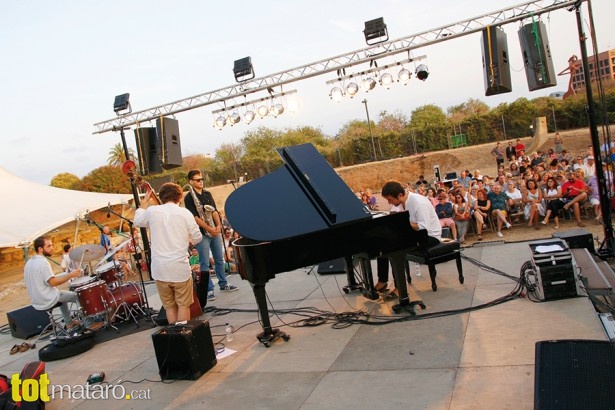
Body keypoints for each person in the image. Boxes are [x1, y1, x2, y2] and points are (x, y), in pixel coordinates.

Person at [134, 183, 202, 324]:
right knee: (183, 305)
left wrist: (143, 203)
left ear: (161, 197)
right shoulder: (184, 213)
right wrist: (188, 240)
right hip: (179, 267)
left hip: (160, 268)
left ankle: (174, 337)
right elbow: (197, 237)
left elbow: (137, 221)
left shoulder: (152, 211)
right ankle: (183, 335)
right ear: (180, 196)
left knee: (169, 307)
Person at [184, 170, 238, 302]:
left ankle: (223, 284)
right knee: (204, 263)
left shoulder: (207, 194)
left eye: (202, 179)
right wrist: (209, 228)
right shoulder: (188, 198)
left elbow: (213, 211)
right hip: (202, 233)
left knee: (219, 259)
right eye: (198, 180)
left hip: (214, 230)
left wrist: (218, 226)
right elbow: (195, 217)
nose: (201, 181)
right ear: (191, 182)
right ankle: (208, 289)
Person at [24, 237, 82, 329]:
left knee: (62, 296)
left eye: (51, 245)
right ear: (40, 249)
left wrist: (67, 273)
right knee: (79, 296)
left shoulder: (30, 262)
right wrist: (70, 276)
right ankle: (90, 323)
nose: (52, 248)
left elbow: (45, 280)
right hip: (47, 298)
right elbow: (53, 282)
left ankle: (69, 323)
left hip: (36, 301)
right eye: (48, 246)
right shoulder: (43, 262)